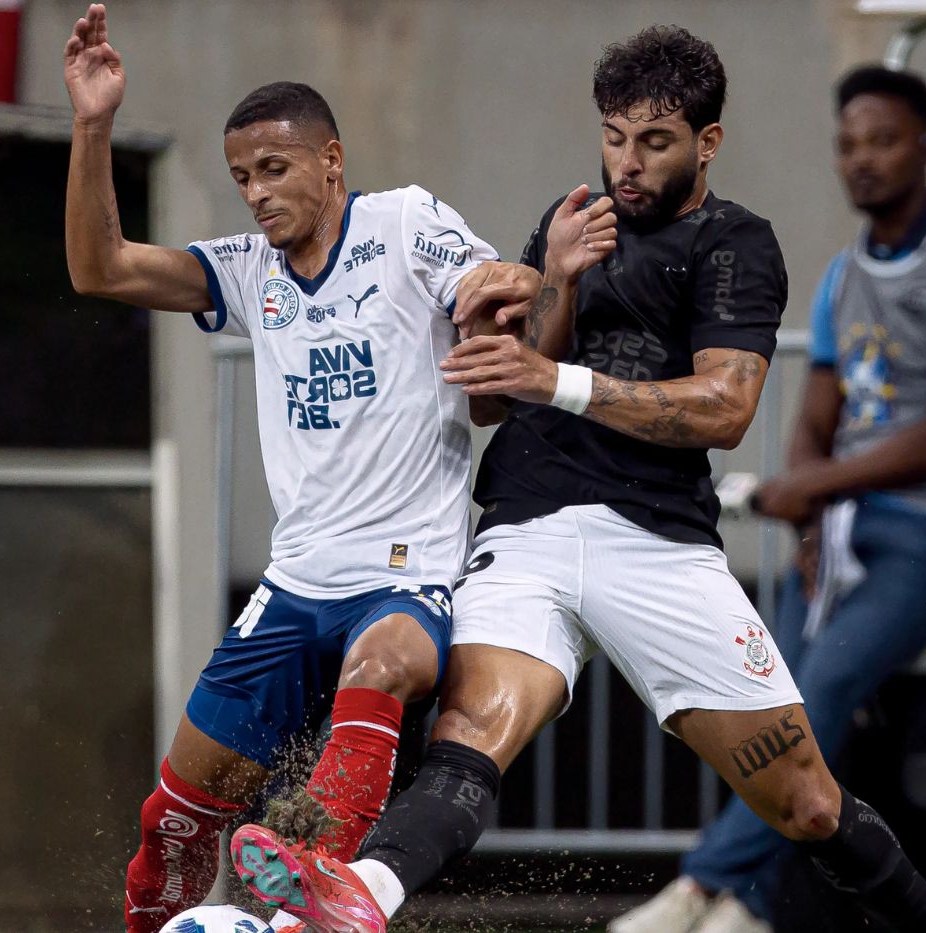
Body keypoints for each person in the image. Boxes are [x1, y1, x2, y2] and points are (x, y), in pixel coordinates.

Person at [227, 26, 926, 933]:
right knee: (466, 747)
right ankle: (352, 901)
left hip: (656, 542)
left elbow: (724, 408)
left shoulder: (736, 243)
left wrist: (555, 379)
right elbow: (505, 390)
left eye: (654, 142)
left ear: (708, 142)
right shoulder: (571, 217)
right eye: (614, 137)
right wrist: (558, 280)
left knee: (808, 804)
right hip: (525, 529)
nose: (627, 163)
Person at [60, 7, 573, 931]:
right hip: (294, 584)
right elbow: (101, 269)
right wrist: (93, 123)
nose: (255, 193)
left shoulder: (404, 223)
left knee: (382, 664)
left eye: (273, 168)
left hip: (406, 573)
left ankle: (314, 886)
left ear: (331, 161)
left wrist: (503, 296)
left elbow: (497, 284)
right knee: (175, 820)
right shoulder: (250, 273)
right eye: (241, 178)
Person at [615, 64, 926, 933]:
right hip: (850, 526)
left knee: (825, 680)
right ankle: (752, 904)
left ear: (925, 147)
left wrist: (812, 487)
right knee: (759, 678)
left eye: (883, 140)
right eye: (848, 145)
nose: (863, 160)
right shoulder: (846, 273)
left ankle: (705, 890)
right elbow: (817, 419)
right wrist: (808, 502)